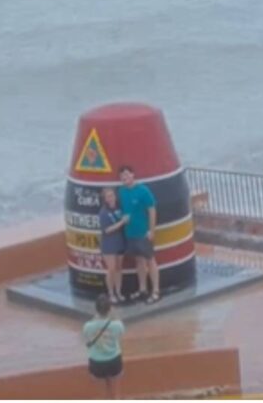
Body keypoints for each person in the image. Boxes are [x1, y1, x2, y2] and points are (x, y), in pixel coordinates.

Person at [117, 165, 161, 304]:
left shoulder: (143, 191)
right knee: (139, 261)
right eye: (122, 176)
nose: (125, 178)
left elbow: (152, 210)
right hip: (130, 233)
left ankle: (155, 291)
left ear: (133, 175)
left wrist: (151, 230)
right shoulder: (121, 191)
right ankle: (142, 289)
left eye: (127, 174)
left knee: (150, 260)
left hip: (143, 233)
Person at [83, 294, 125, 399]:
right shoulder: (118, 325)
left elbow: (87, 339)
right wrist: (114, 316)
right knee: (115, 394)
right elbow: (120, 334)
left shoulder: (88, 326)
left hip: (97, 362)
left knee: (101, 396)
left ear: (96, 309)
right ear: (110, 309)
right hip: (114, 360)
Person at [99, 187, 128, 304]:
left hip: (120, 242)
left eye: (112, 195)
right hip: (109, 244)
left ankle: (119, 292)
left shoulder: (119, 208)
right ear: (105, 199)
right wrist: (122, 222)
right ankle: (110, 293)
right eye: (108, 196)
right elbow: (107, 230)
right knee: (111, 269)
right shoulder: (103, 212)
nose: (111, 198)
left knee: (119, 268)